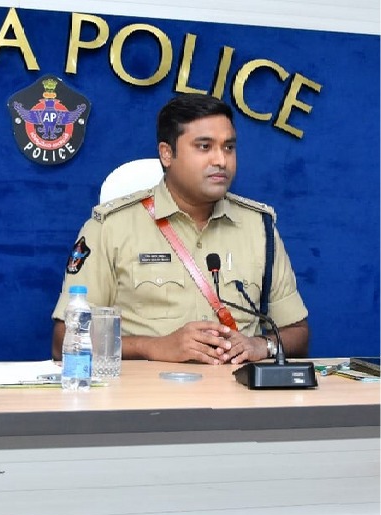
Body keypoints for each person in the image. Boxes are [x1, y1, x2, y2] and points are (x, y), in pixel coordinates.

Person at [51, 94, 308, 365]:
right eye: (204, 147)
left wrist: (261, 345)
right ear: (166, 153)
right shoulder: (110, 228)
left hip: (237, 388)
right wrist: (151, 347)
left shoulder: (259, 227)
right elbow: (64, 339)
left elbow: (298, 334)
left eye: (229, 147)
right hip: (146, 389)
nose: (221, 160)